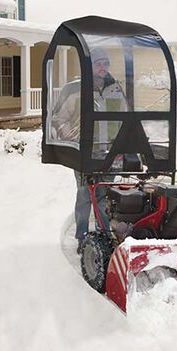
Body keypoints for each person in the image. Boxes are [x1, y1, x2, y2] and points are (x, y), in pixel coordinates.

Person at [50, 46, 127, 246]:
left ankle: (103, 235)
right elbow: (59, 117)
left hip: (109, 152)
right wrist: (72, 138)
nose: (102, 67)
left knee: (104, 195)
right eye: (98, 63)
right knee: (84, 195)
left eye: (105, 63)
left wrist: (122, 145)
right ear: (89, 65)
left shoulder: (116, 88)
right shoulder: (75, 89)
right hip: (84, 152)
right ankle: (82, 237)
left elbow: (125, 119)